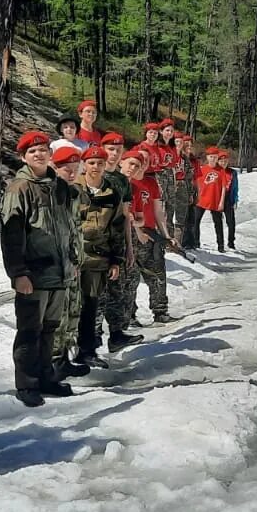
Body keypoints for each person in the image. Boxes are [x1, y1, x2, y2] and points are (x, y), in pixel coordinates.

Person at [0, 131, 79, 408]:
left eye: (43, 150)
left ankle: (47, 377)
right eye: (32, 152)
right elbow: (11, 235)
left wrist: (72, 260)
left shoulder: (59, 186)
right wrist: (18, 272)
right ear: (23, 157)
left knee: (50, 329)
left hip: (59, 272)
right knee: (30, 330)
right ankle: (27, 383)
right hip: (34, 275)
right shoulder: (19, 188)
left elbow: (69, 226)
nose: (39, 154)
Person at [72, 143, 127, 369]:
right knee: (68, 307)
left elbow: (117, 228)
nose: (95, 167)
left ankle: (86, 352)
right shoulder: (72, 189)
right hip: (73, 257)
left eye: (100, 163)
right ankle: (58, 357)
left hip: (97, 258)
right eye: (91, 163)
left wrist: (116, 260)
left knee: (90, 305)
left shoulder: (112, 193)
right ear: (84, 165)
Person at [97, 134, 144, 351]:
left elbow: (126, 216)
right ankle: (90, 342)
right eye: (110, 149)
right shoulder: (92, 174)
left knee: (116, 290)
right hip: (94, 242)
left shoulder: (122, 181)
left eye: (118, 150)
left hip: (116, 243)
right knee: (96, 294)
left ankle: (116, 335)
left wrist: (129, 248)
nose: (114, 154)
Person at [48, 146, 89, 381]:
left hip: (73, 263)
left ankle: (63, 358)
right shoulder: (51, 193)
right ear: (54, 167)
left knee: (72, 311)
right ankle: (53, 363)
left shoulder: (73, 193)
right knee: (58, 316)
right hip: (57, 265)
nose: (72, 174)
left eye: (75, 169)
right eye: (67, 169)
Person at [128, 149, 175, 324]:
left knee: (157, 274)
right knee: (131, 278)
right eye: (140, 159)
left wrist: (166, 235)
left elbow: (158, 211)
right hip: (132, 235)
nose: (143, 163)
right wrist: (138, 232)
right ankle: (129, 316)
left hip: (151, 234)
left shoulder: (151, 182)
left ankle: (160, 311)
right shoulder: (127, 182)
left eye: (146, 160)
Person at [196, 147, 233, 251]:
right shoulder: (202, 169)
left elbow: (223, 187)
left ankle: (220, 245)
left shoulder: (221, 170)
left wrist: (221, 202)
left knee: (218, 223)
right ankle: (196, 243)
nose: (213, 159)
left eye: (215, 157)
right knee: (196, 221)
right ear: (207, 157)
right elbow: (197, 184)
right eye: (211, 157)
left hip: (215, 200)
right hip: (202, 199)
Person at [171, 133, 198, 250]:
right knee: (166, 216)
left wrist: (191, 193)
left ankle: (177, 244)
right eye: (176, 142)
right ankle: (166, 243)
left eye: (181, 142)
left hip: (182, 187)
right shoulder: (168, 156)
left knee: (181, 218)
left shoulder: (185, 159)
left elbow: (189, 177)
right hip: (169, 187)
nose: (179, 144)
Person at [221, 150, 240, 249]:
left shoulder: (232, 172)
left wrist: (235, 200)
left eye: (225, 161)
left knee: (231, 222)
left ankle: (231, 242)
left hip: (228, 198)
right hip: (217, 198)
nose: (223, 163)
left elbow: (235, 187)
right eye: (221, 161)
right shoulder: (215, 171)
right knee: (218, 222)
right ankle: (220, 243)